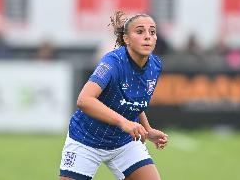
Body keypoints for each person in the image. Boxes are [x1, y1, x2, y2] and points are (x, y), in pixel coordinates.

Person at [59, 11, 168, 180]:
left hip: (124, 142)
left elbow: (134, 101)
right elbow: (84, 100)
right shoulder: (112, 63)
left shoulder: (155, 65)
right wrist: (123, 122)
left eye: (152, 32)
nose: (147, 36)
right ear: (126, 39)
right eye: (140, 31)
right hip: (86, 139)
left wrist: (147, 130)